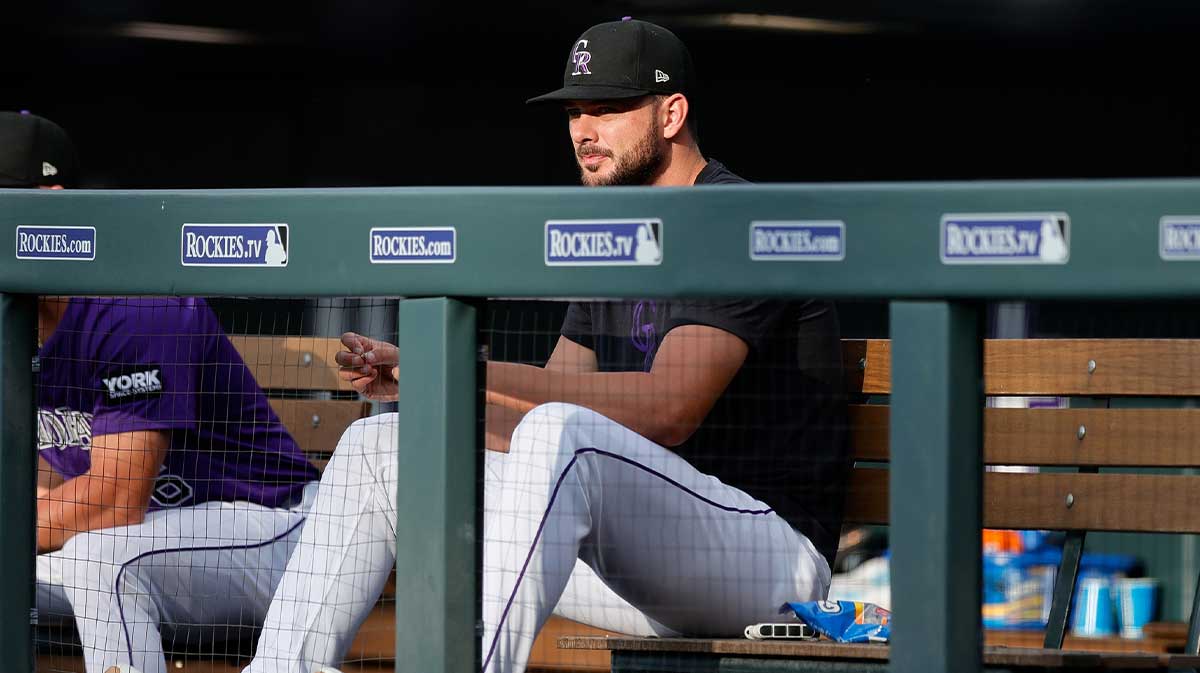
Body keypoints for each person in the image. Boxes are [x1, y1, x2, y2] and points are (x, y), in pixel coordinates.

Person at [244, 18, 850, 673]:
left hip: (765, 562)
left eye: (609, 110)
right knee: (379, 447)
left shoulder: (732, 220)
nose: (584, 131)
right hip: (643, 564)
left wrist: (457, 370)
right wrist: (435, 389)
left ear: (672, 112)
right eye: (574, 112)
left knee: (564, 432)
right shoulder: (616, 234)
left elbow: (669, 410)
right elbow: (537, 421)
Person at [2, 112, 322, 673]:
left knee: (101, 560)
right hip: (137, 539)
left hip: (268, 531)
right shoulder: (14, 315)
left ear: (48, 205)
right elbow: (51, 475)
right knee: (92, 557)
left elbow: (111, 502)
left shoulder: (133, 302)